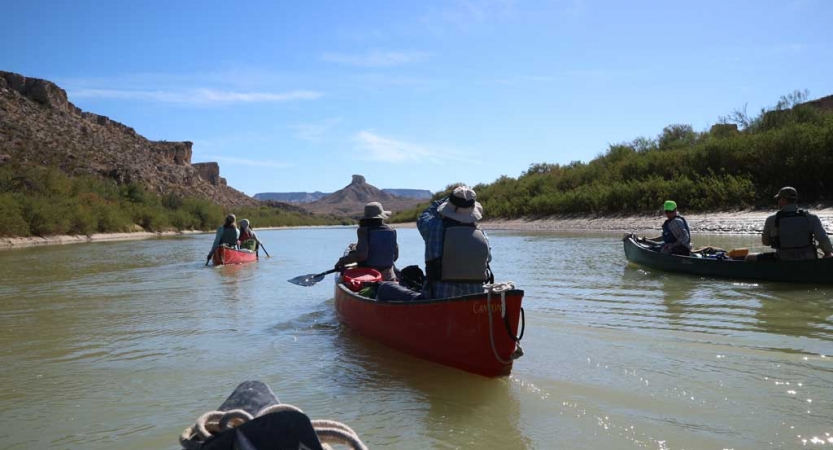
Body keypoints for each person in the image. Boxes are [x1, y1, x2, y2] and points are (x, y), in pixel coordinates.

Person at [377, 186, 492, 301]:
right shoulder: (482, 234)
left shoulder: (435, 228)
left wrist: (446, 199)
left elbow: (424, 215)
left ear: (449, 207)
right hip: (475, 299)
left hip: (436, 298)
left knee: (385, 287)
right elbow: (488, 259)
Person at [746, 186, 832, 261]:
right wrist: (827, 253)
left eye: (779, 199)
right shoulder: (811, 218)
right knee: (830, 254)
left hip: (782, 259)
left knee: (748, 257)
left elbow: (766, 242)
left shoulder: (771, 220)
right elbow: (824, 239)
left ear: (783, 200)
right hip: (808, 258)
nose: (778, 201)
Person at [335, 202, 399, 281]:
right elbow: (395, 256)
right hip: (388, 276)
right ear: (381, 217)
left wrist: (341, 261)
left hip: (368, 276)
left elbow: (362, 255)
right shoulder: (392, 230)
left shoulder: (363, 231)